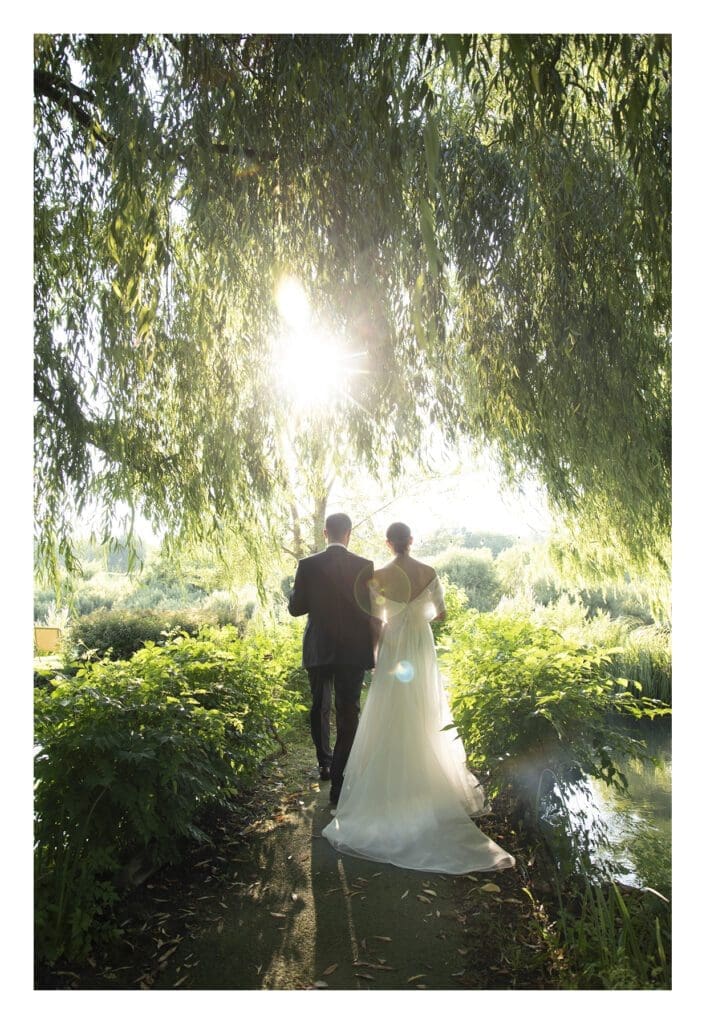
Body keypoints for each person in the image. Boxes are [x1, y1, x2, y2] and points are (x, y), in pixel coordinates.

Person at [322, 522, 515, 874]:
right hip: (421, 646)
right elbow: (440, 613)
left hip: (395, 645)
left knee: (389, 709)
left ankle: (391, 780)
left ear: (388, 542)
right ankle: (426, 780)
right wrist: (418, 612)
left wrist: (377, 658)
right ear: (411, 541)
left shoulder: (378, 575)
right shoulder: (429, 571)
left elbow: (375, 622)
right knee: (424, 707)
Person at [288, 512, 377, 804]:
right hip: (352, 650)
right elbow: (369, 612)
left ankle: (324, 762)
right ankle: (339, 781)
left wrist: (298, 589)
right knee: (348, 710)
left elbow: (296, 608)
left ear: (326, 533)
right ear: (348, 533)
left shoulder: (307, 565)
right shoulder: (365, 566)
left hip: (318, 647)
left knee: (320, 705)